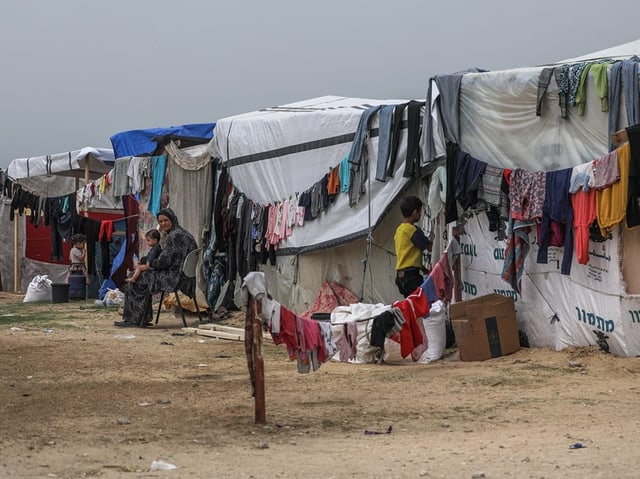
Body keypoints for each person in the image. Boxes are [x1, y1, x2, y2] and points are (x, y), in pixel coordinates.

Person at [114, 208, 197, 328]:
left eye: (166, 220)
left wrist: (149, 263)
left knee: (134, 277)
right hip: (184, 276)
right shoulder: (182, 233)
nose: (163, 223)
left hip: (173, 277)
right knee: (141, 275)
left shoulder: (174, 236)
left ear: (172, 220)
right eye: (161, 221)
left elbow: (164, 262)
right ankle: (142, 317)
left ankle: (135, 318)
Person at [394, 195, 432, 297]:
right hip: (411, 277)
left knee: (412, 305)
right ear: (415, 212)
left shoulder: (399, 230)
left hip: (400, 276)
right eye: (420, 212)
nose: (420, 214)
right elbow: (429, 247)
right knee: (423, 302)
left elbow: (408, 256)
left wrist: (423, 269)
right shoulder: (412, 230)